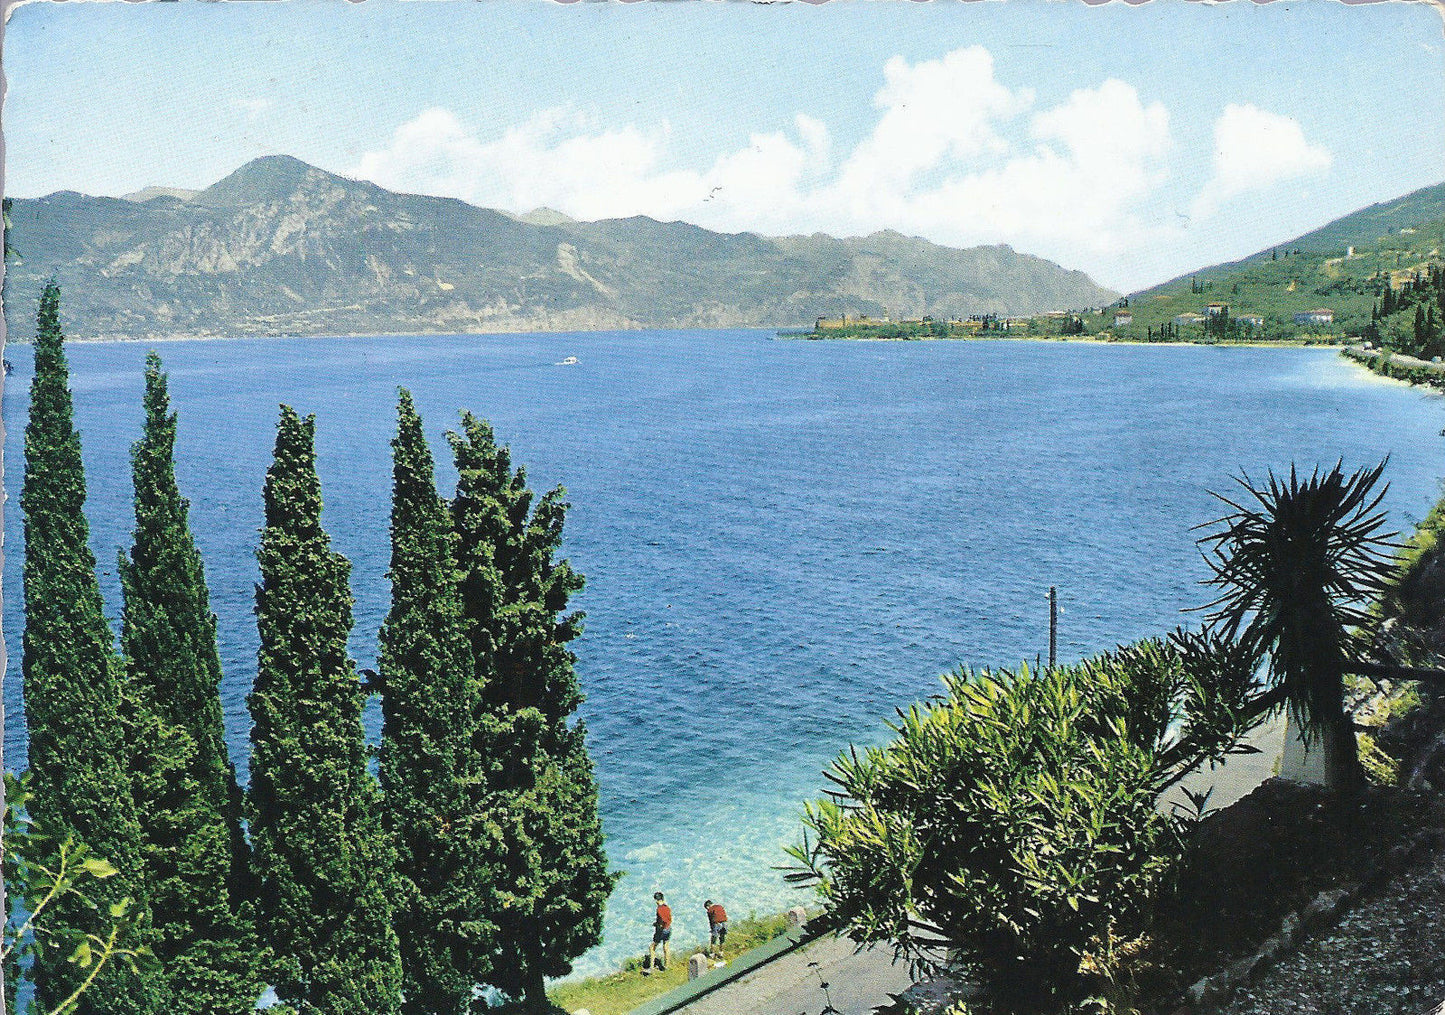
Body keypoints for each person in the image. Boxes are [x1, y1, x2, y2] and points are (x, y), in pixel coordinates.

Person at [646, 891, 672, 973]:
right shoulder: (667, 907)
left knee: (652, 947)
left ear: (657, 900)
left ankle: (652, 967)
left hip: (661, 930)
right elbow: (668, 919)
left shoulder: (659, 909)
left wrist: (658, 925)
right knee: (666, 947)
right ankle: (667, 966)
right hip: (668, 929)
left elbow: (663, 919)